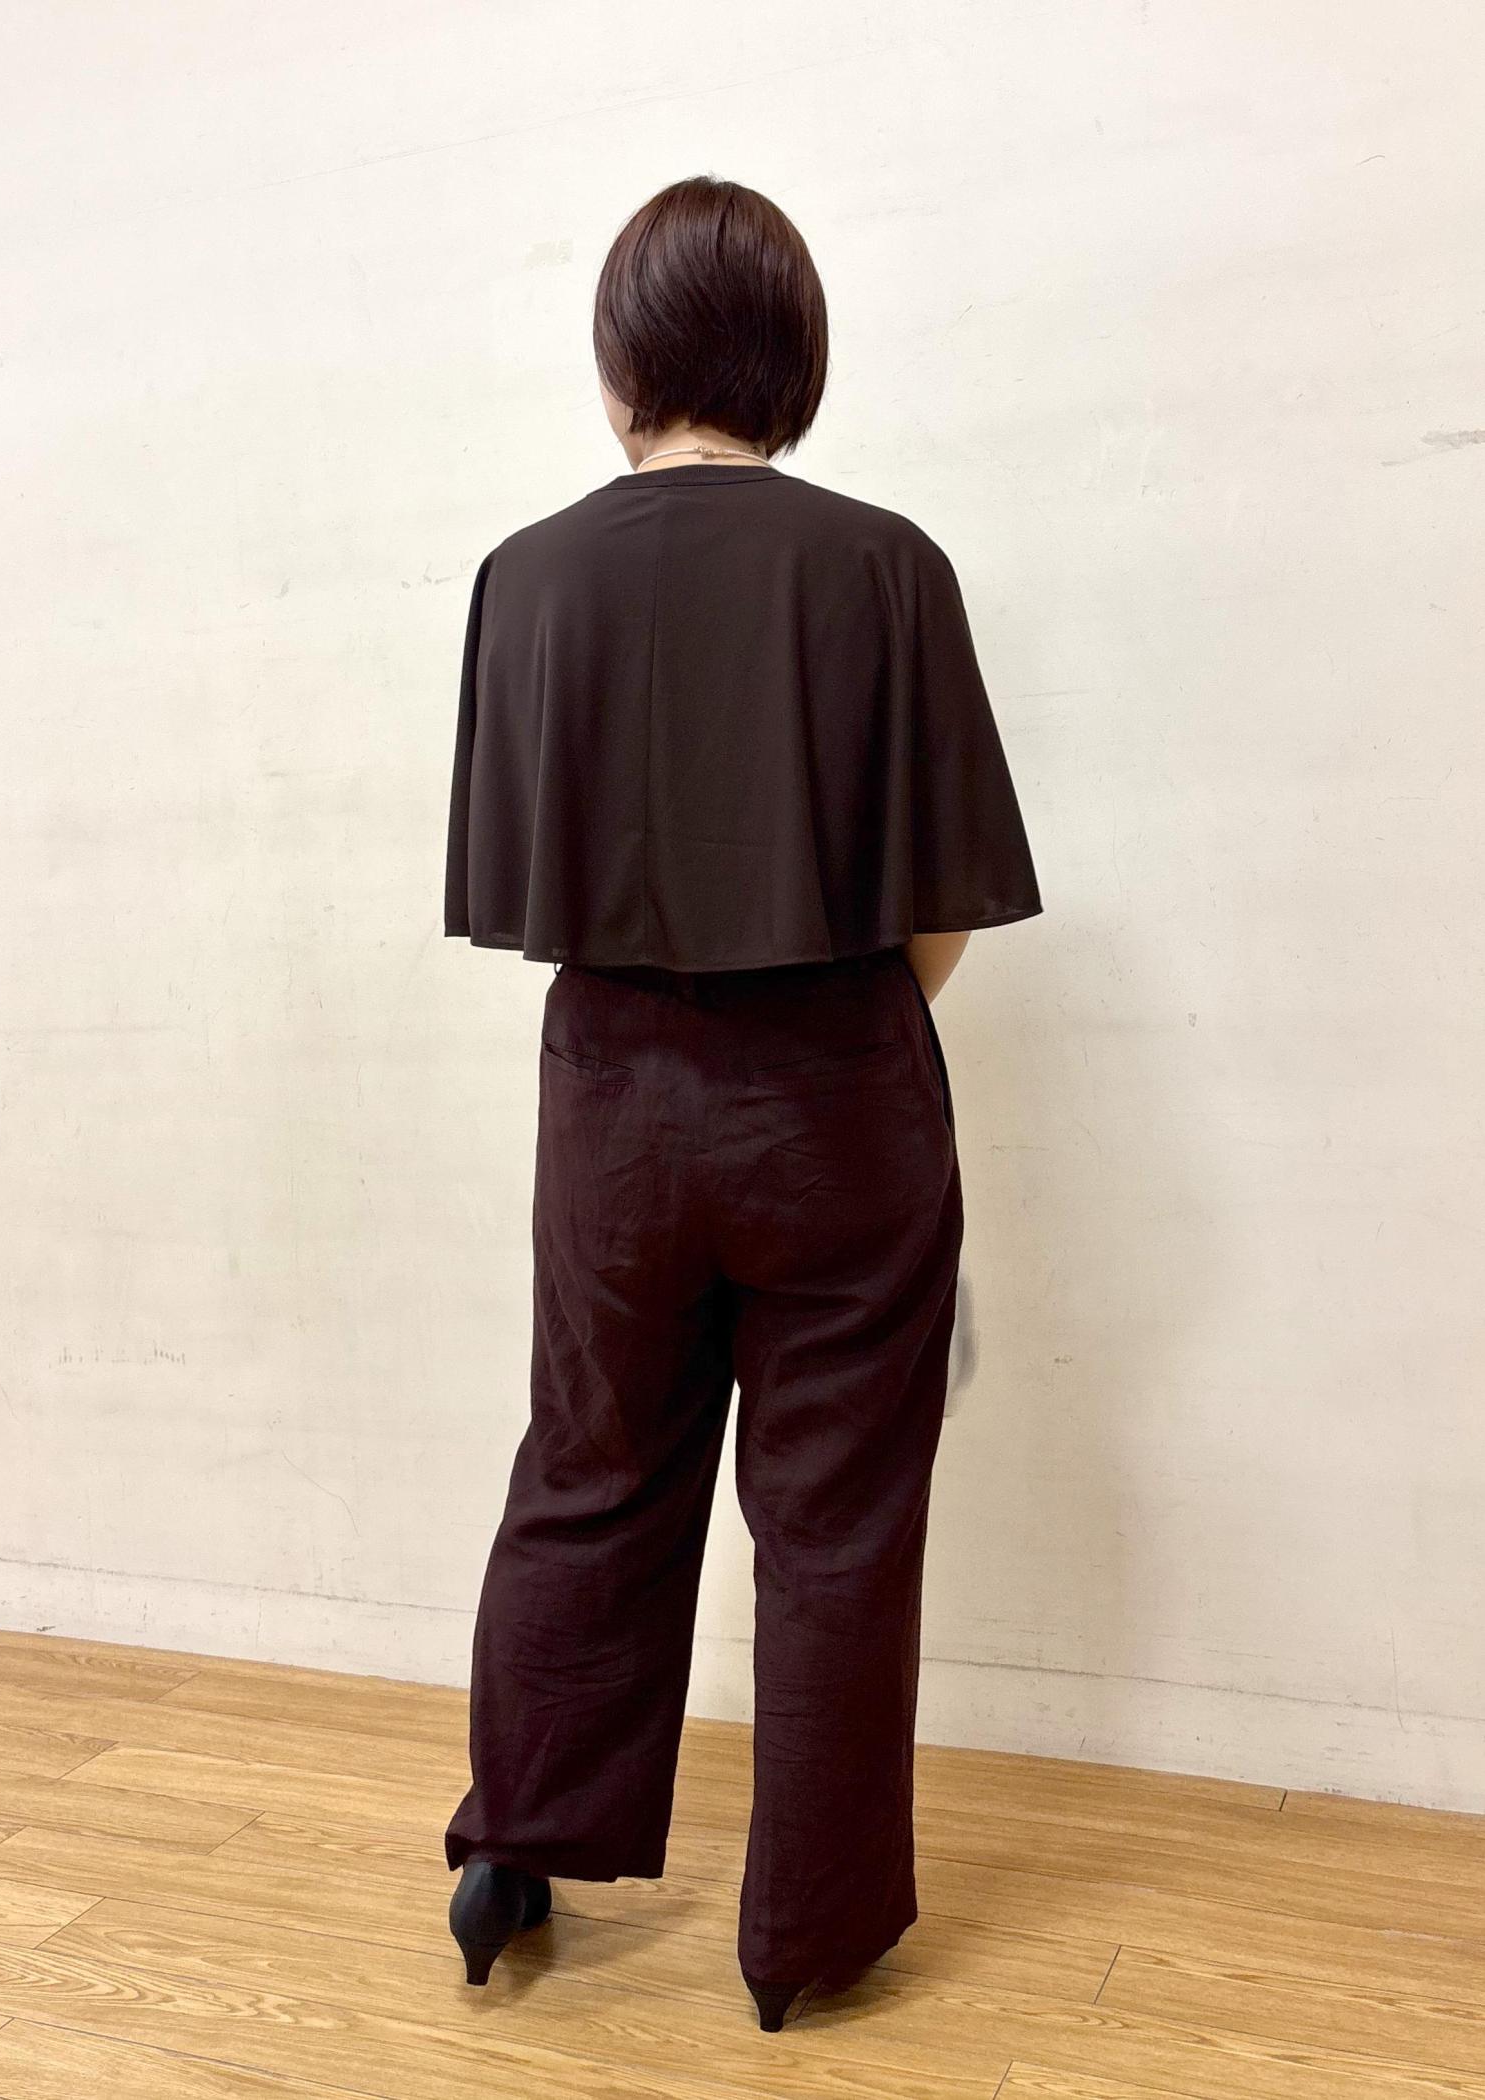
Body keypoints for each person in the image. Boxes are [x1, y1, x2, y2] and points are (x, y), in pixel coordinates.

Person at [440, 173, 1043, 2034]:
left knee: (589, 1463)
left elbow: (525, 881)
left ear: (619, 358)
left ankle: (513, 1850)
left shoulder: (527, 578)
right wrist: (835, 1038)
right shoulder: (886, 567)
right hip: (840, 1086)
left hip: (613, 1097)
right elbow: (943, 913)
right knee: (837, 1517)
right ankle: (807, 1939)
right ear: (795, 359)